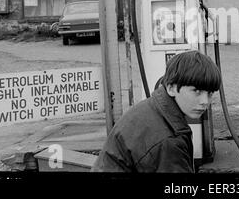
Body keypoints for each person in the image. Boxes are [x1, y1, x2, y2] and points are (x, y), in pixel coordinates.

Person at [91, 50, 222, 173]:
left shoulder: (153, 107)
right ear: (171, 88)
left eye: (210, 93)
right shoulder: (168, 140)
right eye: (196, 91)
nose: (205, 101)